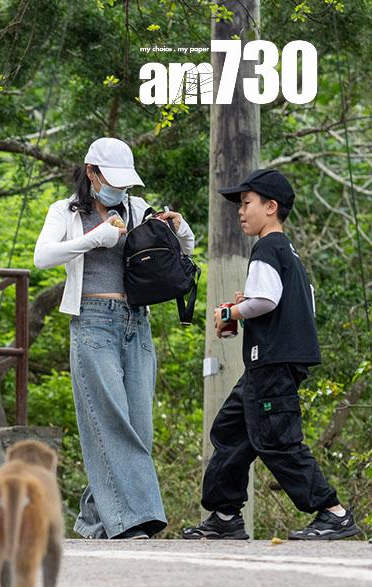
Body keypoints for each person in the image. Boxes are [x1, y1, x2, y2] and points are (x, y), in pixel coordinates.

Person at [184, 168, 360, 541]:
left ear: (271, 206)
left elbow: (267, 300)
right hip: (270, 362)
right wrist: (245, 308)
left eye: (246, 203)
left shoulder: (267, 246)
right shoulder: (288, 253)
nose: (240, 212)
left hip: (273, 362)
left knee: (277, 439)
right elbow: (293, 304)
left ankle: (333, 512)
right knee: (231, 430)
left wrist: (232, 312)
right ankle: (225, 516)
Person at [33, 137, 196, 540]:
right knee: (110, 423)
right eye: (112, 180)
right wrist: (94, 238)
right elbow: (42, 256)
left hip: (135, 322)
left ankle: (94, 523)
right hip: (92, 322)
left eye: (125, 183)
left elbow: (179, 254)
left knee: (137, 427)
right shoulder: (66, 211)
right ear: (92, 173)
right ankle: (136, 519)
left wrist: (181, 230)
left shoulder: (138, 209)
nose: (120, 190)